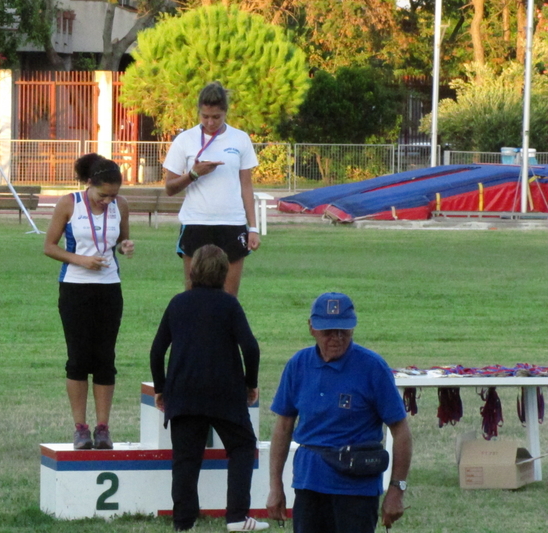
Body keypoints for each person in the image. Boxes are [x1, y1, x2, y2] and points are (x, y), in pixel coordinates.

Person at [265, 292, 413, 533]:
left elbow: (401, 431)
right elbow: (283, 427)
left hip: (356, 488)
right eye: (328, 331)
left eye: (343, 331)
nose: (336, 338)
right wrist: (275, 486)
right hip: (308, 483)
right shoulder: (298, 365)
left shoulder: (372, 367)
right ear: (311, 328)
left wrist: (396, 490)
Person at [150, 244, 269, 532]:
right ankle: (237, 516)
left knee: (186, 461)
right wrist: (250, 383)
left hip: (185, 391)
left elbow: (157, 351)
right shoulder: (229, 304)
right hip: (224, 391)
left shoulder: (178, 303)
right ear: (225, 273)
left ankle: (183, 522)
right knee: (242, 446)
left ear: (192, 271)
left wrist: (161, 388)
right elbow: (250, 348)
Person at [44, 153, 135, 450]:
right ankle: (80, 428)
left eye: (113, 196)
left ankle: (103, 428)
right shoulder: (69, 203)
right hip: (75, 288)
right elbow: (49, 246)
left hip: (109, 288)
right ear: (90, 184)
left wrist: (125, 245)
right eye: (102, 195)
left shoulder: (121, 205)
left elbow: (121, 241)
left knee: (105, 359)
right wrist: (80, 259)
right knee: (78, 359)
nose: (107, 201)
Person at [163, 82, 261, 297]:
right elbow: (169, 188)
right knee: (193, 295)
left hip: (232, 223)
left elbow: (246, 185)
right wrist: (193, 174)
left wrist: (253, 228)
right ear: (198, 112)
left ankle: (224, 332)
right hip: (196, 222)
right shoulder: (185, 140)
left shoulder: (240, 139)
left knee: (228, 296)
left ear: (225, 112)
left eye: (216, 117)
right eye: (205, 116)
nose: (210, 122)